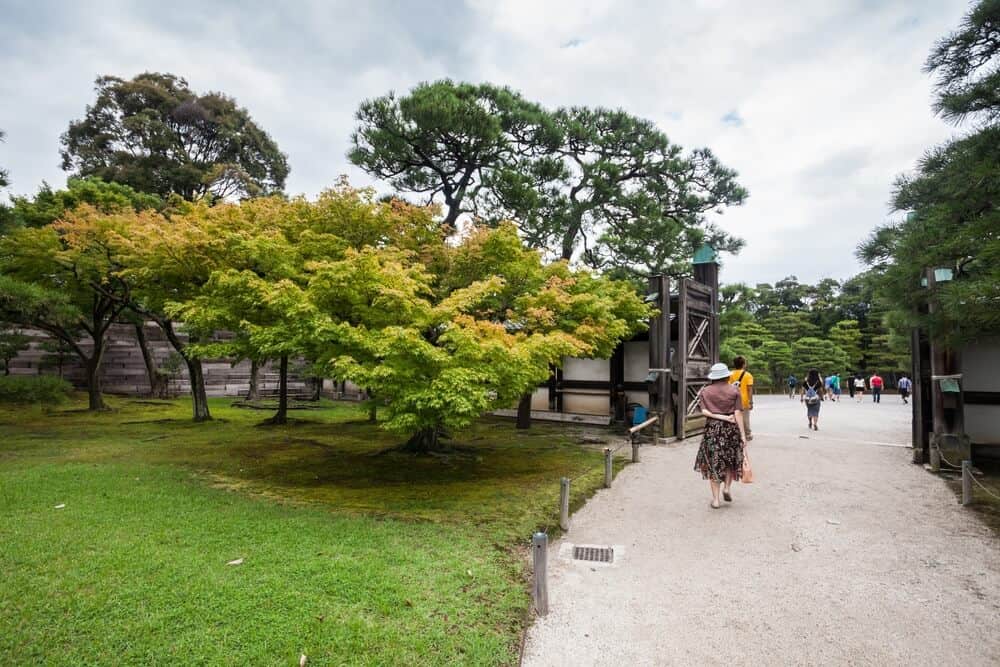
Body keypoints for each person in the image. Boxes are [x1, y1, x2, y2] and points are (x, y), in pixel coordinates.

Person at [696, 362, 747, 509]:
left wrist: (718, 416)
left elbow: (704, 412)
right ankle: (727, 488)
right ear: (726, 376)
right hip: (731, 429)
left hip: (712, 430)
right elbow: (738, 413)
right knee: (730, 460)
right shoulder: (734, 391)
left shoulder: (705, 391)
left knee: (713, 462)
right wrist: (743, 435)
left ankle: (716, 500)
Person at [729, 356, 754, 441]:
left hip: (732, 400)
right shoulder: (748, 375)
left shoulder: (730, 374)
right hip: (744, 400)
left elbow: (727, 386)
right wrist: (751, 402)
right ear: (743, 365)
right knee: (745, 418)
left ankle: (735, 434)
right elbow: (749, 389)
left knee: (734, 417)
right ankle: (747, 435)